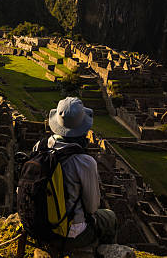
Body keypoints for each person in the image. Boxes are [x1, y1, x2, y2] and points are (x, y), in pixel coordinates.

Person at [33, 96, 116, 248]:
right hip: (67, 233)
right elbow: (92, 208)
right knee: (109, 218)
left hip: (36, 226)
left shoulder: (40, 147)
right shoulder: (84, 162)